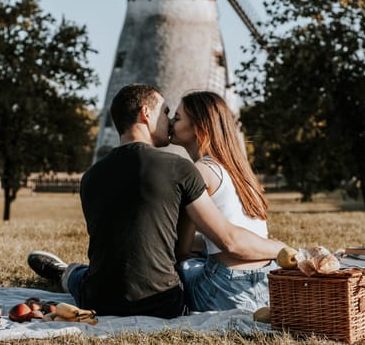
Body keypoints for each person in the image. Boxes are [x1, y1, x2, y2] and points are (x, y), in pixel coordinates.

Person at [28, 84, 286, 319]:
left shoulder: (89, 177)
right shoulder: (182, 169)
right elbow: (202, 246)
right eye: (166, 113)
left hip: (98, 298)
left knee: (82, 275)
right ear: (145, 114)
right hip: (164, 303)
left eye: (175, 116)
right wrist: (286, 250)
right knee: (186, 265)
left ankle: (66, 273)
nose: (170, 121)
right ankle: (69, 272)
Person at [170, 90, 276, 312]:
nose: (170, 122)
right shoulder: (239, 170)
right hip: (265, 282)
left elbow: (182, 249)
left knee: (184, 267)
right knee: (197, 262)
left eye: (177, 118)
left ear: (199, 126)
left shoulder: (198, 172)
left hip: (225, 288)